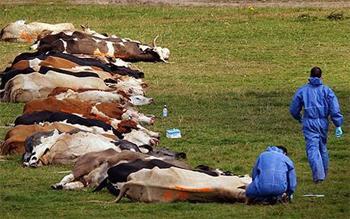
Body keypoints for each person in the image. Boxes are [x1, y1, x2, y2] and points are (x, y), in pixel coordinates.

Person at [290, 67, 344, 183]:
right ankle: (324, 173)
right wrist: (338, 124)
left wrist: (299, 118)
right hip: (323, 122)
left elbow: (294, 109)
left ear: (310, 75)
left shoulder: (303, 90)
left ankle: (319, 176)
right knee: (322, 147)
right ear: (321, 76)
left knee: (313, 148)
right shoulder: (327, 90)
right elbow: (334, 109)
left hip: (309, 122)